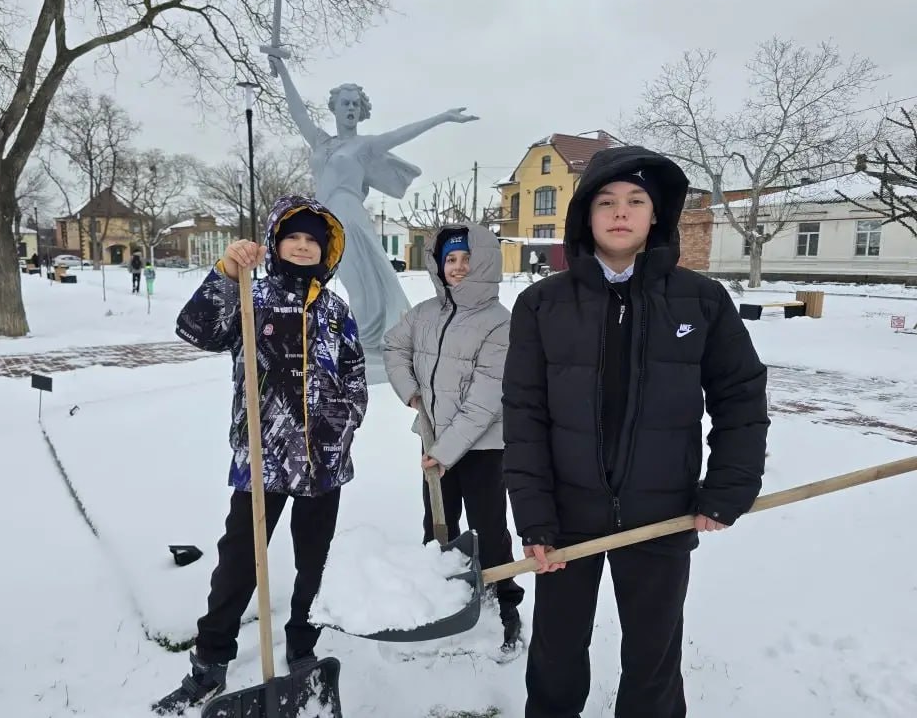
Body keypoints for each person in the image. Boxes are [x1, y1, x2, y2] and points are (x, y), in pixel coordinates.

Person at [502, 146, 770, 718]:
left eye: (635, 200)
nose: (620, 212)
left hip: (662, 510)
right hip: (567, 514)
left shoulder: (702, 300)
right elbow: (523, 414)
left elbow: (740, 396)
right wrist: (534, 514)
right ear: (585, 215)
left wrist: (729, 485)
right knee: (556, 649)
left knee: (654, 655)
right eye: (605, 201)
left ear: (656, 214)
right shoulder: (542, 304)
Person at [153, 195, 368, 715]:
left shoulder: (335, 311)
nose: (302, 246)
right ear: (276, 242)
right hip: (263, 458)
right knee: (238, 564)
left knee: (313, 562)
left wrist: (340, 426)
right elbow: (195, 330)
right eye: (293, 237)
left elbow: (355, 377)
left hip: (324, 463)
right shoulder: (253, 295)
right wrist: (228, 273)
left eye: (312, 239)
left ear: (325, 249)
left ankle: (302, 645)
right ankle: (210, 662)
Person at [265, 50, 478, 371]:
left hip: (349, 218)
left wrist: (442, 117)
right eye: (345, 103)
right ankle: (356, 342)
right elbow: (298, 113)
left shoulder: (364, 146)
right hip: (322, 222)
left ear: (361, 110)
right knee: (332, 282)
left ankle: (366, 344)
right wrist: (282, 71)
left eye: (355, 104)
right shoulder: (321, 142)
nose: (351, 108)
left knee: (360, 283)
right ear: (335, 108)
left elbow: (402, 133)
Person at [383, 222, 525, 651]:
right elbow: (394, 348)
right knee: (438, 521)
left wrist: (444, 452)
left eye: (467, 258)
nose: (459, 267)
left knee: (489, 526)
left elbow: (485, 400)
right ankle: (441, 595)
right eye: (451, 259)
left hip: (482, 445)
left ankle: (505, 600)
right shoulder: (425, 313)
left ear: (485, 262)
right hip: (433, 438)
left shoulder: (499, 323)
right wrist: (411, 393)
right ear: (439, 265)